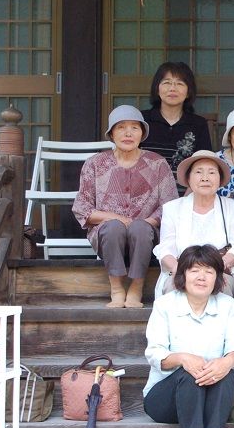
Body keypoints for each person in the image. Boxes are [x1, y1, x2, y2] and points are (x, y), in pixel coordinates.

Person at [143, 245, 234, 428]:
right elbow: (154, 353)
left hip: (211, 398)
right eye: (195, 270)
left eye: (209, 271)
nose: (202, 277)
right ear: (183, 275)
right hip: (166, 399)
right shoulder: (165, 305)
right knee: (189, 372)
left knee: (226, 370)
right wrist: (182, 358)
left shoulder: (226, 305)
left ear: (218, 278)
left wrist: (227, 361)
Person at [73, 105, 177, 308]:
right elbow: (82, 207)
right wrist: (118, 219)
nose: (128, 133)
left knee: (140, 228)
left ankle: (136, 288)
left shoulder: (157, 163)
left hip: (147, 235)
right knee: (113, 227)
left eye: (134, 128)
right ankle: (117, 289)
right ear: (111, 134)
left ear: (142, 133)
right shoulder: (95, 163)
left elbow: (170, 204)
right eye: (121, 127)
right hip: (108, 235)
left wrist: (145, 222)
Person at [154, 150, 234, 306]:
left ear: (220, 179)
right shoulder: (172, 208)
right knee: (173, 288)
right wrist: (184, 272)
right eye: (198, 172)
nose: (205, 178)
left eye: (211, 172)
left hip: (220, 271)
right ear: (188, 179)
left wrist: (212, 271)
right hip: (181, 271)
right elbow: (165, 249)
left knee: (222, 287)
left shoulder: (233, 208)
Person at [141, 62, 212, 187]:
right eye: (167, 82)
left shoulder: (198, 124)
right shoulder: (142, 120)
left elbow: (204, 165)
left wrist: (188, 197)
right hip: (144, 193)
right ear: (157, 89)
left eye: (180, 83)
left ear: (188, 92)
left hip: (185, 194)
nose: (173, 88)